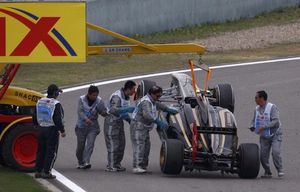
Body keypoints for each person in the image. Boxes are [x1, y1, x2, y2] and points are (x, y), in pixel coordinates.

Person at [130, 85, 178, 174]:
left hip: (144, 127)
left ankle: (143, 166)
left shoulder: (152, 100)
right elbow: (147, 115)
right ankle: (137, 167)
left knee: (146, 146)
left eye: (160, 96)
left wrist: (167, 109)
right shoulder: (146, 102)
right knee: (140, 146)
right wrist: (158, 122)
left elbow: (158, 105)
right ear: (151, 94)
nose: (159, 98)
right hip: (138, 126)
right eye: (157, 96)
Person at [249, 90, 284, 178]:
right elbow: (254, 120)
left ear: (262, 98)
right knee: (263, 156)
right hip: (264, 135)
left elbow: (275, 121)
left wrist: (264, 127)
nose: (255, 99)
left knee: (275, 152)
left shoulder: (272, 107)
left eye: (256, 98)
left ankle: (280, 170)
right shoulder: (256, 109)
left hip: (275, 134)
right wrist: (252, 126)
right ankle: (267, 172)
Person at [104, 80, 136, 172]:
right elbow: (114, 110)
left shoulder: (126, 97)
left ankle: (117, 164)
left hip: (119, 123)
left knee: (122, 144)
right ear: (128, 89)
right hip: (111, 123)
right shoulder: (117, 96)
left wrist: (129, 120)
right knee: (113, 145)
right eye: (133, 89)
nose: (134, 92)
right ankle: (111, 165)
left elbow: (124, 112)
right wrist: (127, 109)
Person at [35, 84, 65, 179]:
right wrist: (62, 130)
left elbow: (34, 116)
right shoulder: (56, 104)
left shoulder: (39, 101)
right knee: (51, 151)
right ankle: (47, 172)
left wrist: (37, 125)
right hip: (51, 130)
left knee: (41, 150)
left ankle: (38, 171)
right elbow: (58, 119)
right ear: (55, 93)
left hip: (40, 129)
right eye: (58, 93)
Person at [75, 85, 107, 169]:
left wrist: (105, 112)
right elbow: (80, 112)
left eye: (96, 95)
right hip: (81, 127)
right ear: (88, 94)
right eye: (93, 95)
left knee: (90, 143)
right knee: (80, 146)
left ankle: (86, 161)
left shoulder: (99, 101)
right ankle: (80, 161)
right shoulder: (81, 99)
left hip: (93, 127)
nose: (95, 97)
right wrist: (86, 119)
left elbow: (103, 112)